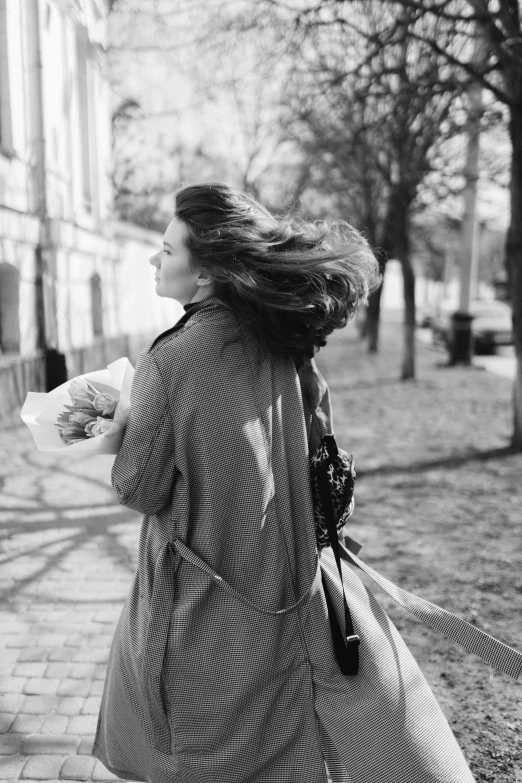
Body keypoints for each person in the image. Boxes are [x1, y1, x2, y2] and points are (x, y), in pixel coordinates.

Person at [92, 182, 476, 783]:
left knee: (208, 755)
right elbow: (322, 448)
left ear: (208, 271)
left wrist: (122, 428)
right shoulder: (282, 340)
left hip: (205, 606)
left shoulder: (171, 358)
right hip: (295, 588)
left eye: (167, 251)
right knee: (292, 751)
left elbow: (140, 486)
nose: (152, 258)